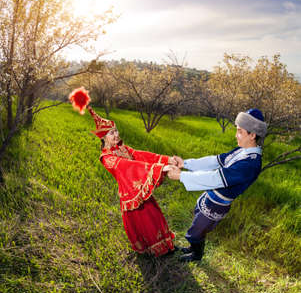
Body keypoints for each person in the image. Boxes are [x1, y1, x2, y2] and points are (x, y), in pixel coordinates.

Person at [167, 108, 267, 262]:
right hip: (211, 196)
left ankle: (196, 255)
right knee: (197, 221)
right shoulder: (242, 151)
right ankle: (193, 248)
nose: (236, 135)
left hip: (218, 203)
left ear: (252, 135)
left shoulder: (251, 162)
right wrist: (186, 163)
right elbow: (215, 160)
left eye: (240, 131)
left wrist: (181, 176)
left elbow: (216, 178)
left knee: (197, 230)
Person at [87, 105, 177, 257]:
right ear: (104, 137)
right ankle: (156, 252)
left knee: (154, 216)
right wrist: (159, 168)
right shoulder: (106, 157)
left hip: (139, 188)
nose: (116, 134)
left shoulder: (122, 149)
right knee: (145, 222)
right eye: (111, 133)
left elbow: (141, 155)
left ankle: (167, 246)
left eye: (116, 131)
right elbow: (126, 165)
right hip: (130, 194)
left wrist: (167, 159)